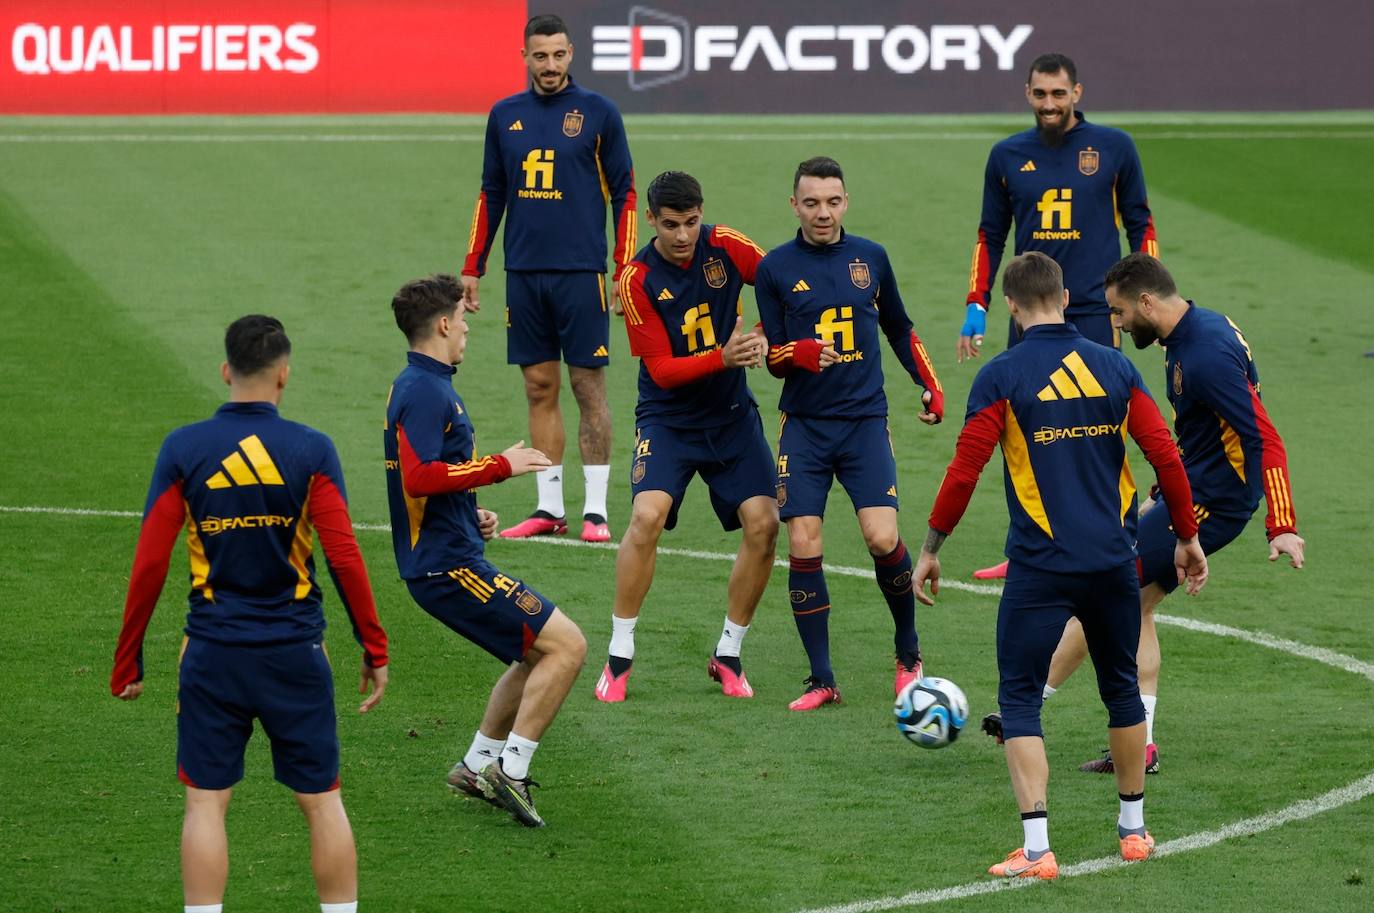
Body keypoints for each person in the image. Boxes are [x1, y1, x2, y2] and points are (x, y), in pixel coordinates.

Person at [914, 252, 1207, 878]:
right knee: (1121, 691)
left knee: (1020, 699)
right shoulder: (1117, 368)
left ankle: (1039, 849)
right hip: (1112, 563)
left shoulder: (1001, 376)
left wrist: (933, 547)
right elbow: (1167, 460)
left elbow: (964, 471)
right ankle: (1133, 832)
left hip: (1039, 568)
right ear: (1067, 296)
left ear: (1012, 308)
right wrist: (1186, 536)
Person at [111, 315, 390, 913]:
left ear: (224, 371)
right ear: (284, 376)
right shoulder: (311, 449)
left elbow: (149, 563)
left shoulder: (184, 449)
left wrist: (128, 657)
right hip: (296, 654)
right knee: (322, 801)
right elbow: (342, 555)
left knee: (206, 803)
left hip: (213, 655)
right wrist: (373, 646)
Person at [1003, 253, 1304, 774]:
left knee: (1104, 596)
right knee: (1135, 604)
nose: (1116, 324)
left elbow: (1265, 437)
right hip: (1190, 492)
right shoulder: (1195, 329)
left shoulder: (1205, 355)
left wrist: (1282, 524)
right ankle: (1140, 744)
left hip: (1215, 502)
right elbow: (1200, 433)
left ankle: (1026, 709)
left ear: (1146, 301)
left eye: (1119, 313)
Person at [384, 274, 587, 828]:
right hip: (446, 567)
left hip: (448, 552)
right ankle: (511, 771)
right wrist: (500, 467)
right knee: (567, 646)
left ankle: (477, 766)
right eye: (463, 319)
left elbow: (427, 479)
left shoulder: (424, 384)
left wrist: (468, 513)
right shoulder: (425, 390)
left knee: (535, 653)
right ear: (444, 324)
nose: (468, 329)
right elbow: (420, 476)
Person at [959, 52, 1160, 581]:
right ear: (1027, 94)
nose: (1049, 104)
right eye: (1040, 94)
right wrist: (976, 305)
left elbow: (1141, 224)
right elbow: (990, 235)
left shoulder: (1114, 148)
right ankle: (1026, 540)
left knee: (1102, 425)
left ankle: (1119, 532)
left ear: (1078, 93)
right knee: (1021, 428)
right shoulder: (1006, 156)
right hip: (1028, 311)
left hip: (1097, 311)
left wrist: (1149, 300)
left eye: (1059, 94)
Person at [756, 156, 945, 711]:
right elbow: (770, 354)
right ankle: (821, 679)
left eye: (832, 201)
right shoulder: (775, 268)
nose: (822, 212)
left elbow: (900, 328)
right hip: (806, 427)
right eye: (811, 202)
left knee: (882, 538)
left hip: (865, 422)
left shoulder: (872, 258)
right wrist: (802, 353)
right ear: (795, 205)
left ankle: (908, 652)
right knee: (802, 541)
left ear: (846, 202)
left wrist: (929, 383)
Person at [593, 171, 778, 703]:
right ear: (650, 220)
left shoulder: (726, 246)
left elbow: (782, 282)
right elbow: (662, 370)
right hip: (668, 419)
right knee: (646, 517)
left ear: (703, 214)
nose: (682, 235)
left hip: (732, 416)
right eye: (671, 224)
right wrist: (724, 356)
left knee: (764, 525)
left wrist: (766, 332)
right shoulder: (634, 279)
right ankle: (620, 655)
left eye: (691, 223)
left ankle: (728, 653)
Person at [460, 13, 637, 544]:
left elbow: (625, 194)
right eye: (541, 55)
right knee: (539, 387)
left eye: (559, 55)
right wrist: (474, 266)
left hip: (582, 273)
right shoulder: (505, 114)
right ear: (525, 57)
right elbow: (492, 192)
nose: (551, 65)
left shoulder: (598, 112)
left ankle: (598, 511)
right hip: (524, 274)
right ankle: (549, 508)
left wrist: (623, 266)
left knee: (588, 388)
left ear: (571, 54)